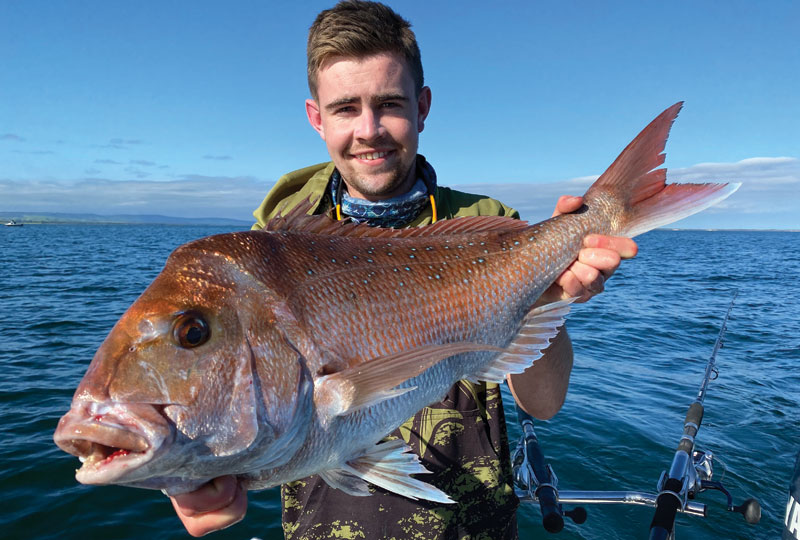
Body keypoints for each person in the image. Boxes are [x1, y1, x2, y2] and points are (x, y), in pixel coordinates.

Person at [170, 1, 637, 537]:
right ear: (315, 118)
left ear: (423, 106)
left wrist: (553, 294)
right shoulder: (268, 258)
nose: (369, 130)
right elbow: (217, 395)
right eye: (345, 108)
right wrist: (185, 464)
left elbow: (545, 404)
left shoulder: (489, 227)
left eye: (389, 104)